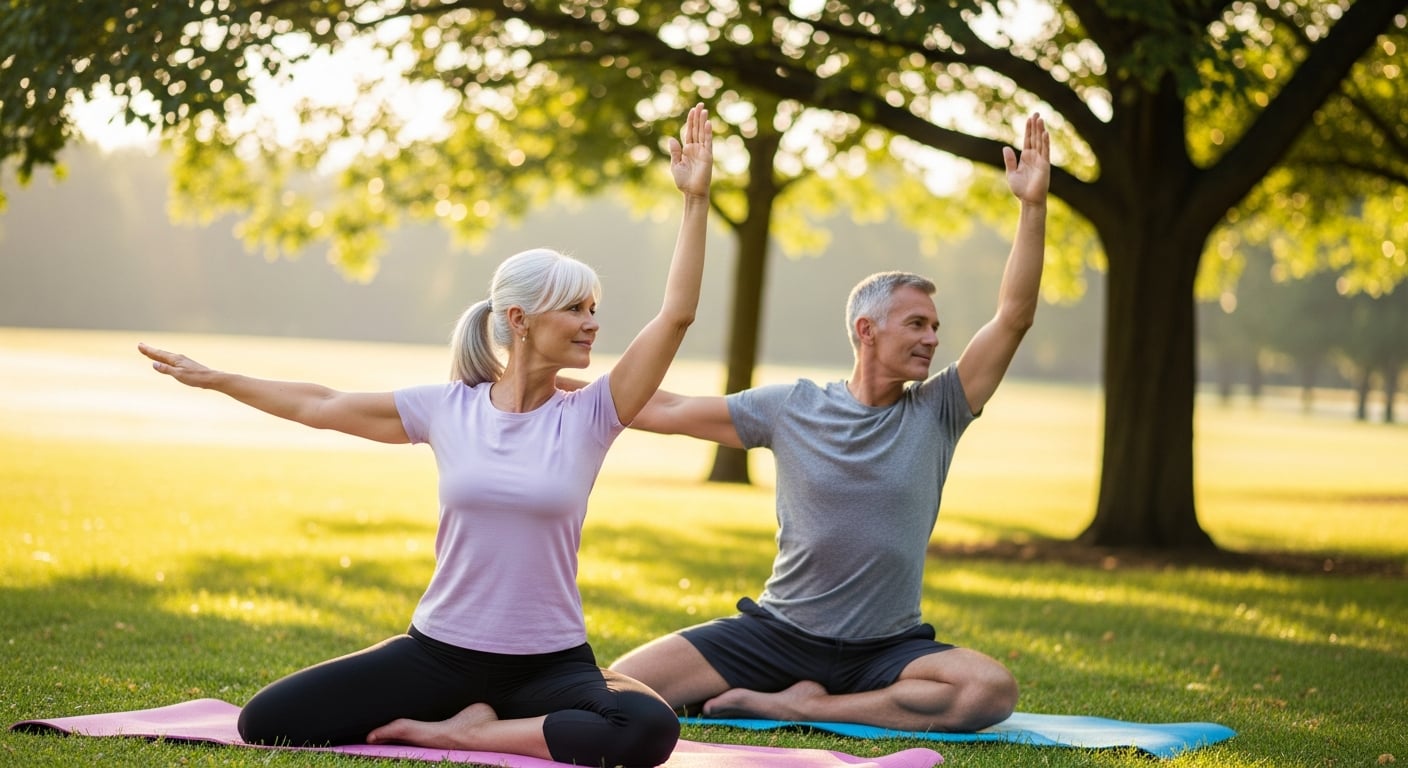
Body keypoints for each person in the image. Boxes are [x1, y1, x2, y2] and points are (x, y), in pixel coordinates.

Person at [135, 103, 714, 767]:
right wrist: (218, 378)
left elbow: (677, 314)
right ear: (520, 320)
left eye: (595, 309)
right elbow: (321, 403)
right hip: (440, 655)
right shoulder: (448, 409)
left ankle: (465, 733)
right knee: (270, 720)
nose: (592, 324)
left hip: (548, 665)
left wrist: (693, 201)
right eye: (575, 309)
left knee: (646, 728)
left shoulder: (593, 413)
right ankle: (465, 714)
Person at [606, 113, 1050, 733]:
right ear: (867, 331)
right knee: (610, 688)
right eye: (916, 324)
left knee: (988, 689)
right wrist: (543, 383)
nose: (933, 338)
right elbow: (666, 407)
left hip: (886, 652)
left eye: (935, 327)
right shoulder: (793, 407)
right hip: (776, 634)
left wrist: (1032, 208)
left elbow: (1014, 315)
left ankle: (801, 705)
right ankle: (785, 688)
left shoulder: (941, 408)